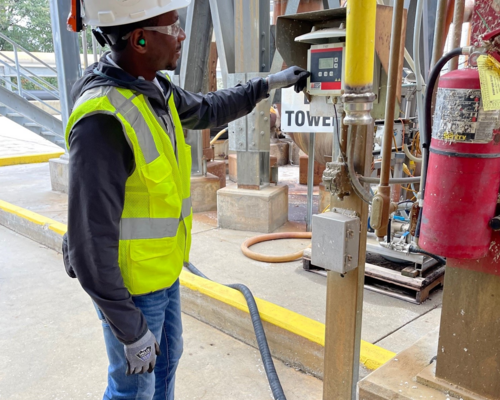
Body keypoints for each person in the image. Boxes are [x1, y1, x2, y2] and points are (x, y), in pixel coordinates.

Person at [62, 0, 309, 399]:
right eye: (172, 27)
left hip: (162, 271)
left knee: (164, 365)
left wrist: (269, 83)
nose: (181, 35)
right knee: (132, 389)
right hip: (131, 288)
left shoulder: (151, 87)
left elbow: (208, 108)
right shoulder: (102, 123)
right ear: (139, 39)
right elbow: (88, 246)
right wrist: (129, 327)